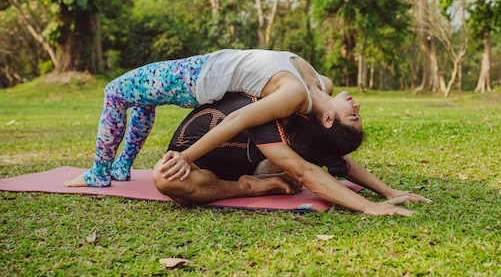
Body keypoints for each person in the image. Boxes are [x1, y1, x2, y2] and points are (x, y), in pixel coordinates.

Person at [64, 49, 360, 188]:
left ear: (329, 119)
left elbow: (235, 122)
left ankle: (99, 172)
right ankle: (121, 168)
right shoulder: (322, 86)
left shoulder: (296, 95)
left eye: (354, 114)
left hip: (195, 75)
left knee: (114, 92)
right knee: (142, 100)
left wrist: (187, 156)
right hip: (202, 71)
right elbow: (327, 133)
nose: (356, 104)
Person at [154, 92, 432, 216]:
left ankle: (252, 181)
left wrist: (387, 192)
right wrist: (367, 206)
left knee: (303, 155)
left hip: (236, 166)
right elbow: (306, 173)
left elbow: (332, 158)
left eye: (355, 115)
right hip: (193, 160)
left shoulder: (305, 126)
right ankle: (250, 187)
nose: (356, 104)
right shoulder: (283, 103)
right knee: (165, 179)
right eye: (356, 114)